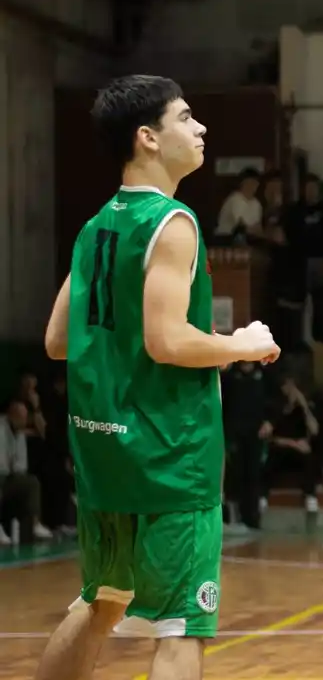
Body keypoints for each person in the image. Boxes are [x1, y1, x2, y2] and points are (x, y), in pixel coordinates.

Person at [34, 75, 280, 680]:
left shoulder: (98, 227)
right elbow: (167, 341)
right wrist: (240, 344)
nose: (200, 129)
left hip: (101, 448)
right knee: (181, 630)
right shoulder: (173, 223)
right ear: (148, 137)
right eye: (186, 118)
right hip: (169, 455)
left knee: (102, 600)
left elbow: (58, 340)